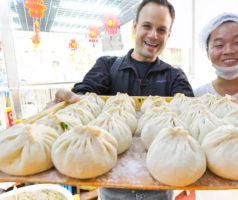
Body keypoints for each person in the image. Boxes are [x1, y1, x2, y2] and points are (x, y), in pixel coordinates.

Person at [54, 0, 194, 199]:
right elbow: (84, 95)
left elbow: (190, 114)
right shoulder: (107, 66)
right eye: (147, 26)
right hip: (111, 189)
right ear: (135, 27)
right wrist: (67, 100)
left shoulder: (175, 76)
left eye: (161, 29)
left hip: (162, 187)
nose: (153, 35)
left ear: (168, 35)